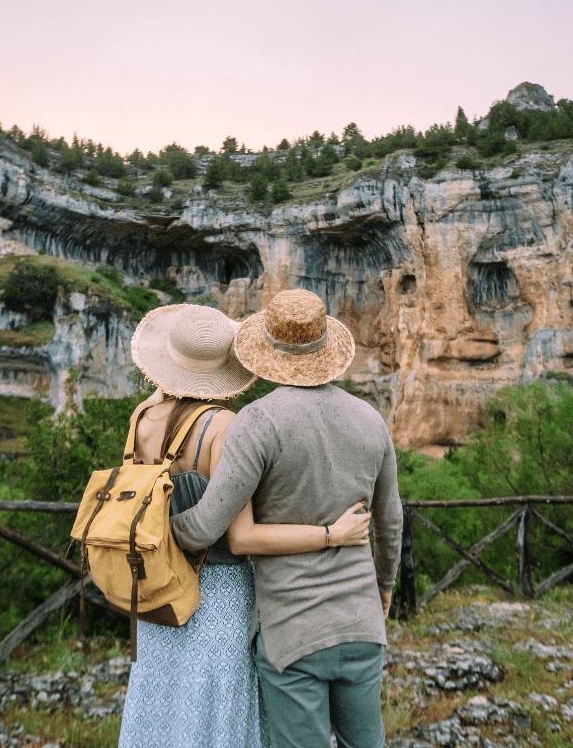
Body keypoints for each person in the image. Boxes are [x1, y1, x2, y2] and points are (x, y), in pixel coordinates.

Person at [117, 303, 372, 748]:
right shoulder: (224, 427)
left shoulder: (142, 417)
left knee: (169, 713)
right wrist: (332, 534)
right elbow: (242, 539)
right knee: (221, 715)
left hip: (158, 587)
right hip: (215, 597)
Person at [171, 288, 403, 748]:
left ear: (268, 351)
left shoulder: (257, 422)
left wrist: (152, 528)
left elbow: (206, 527)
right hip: (361, 624)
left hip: (292, 634)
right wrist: (383, 589)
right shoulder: (370, 419)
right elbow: (391, 522)